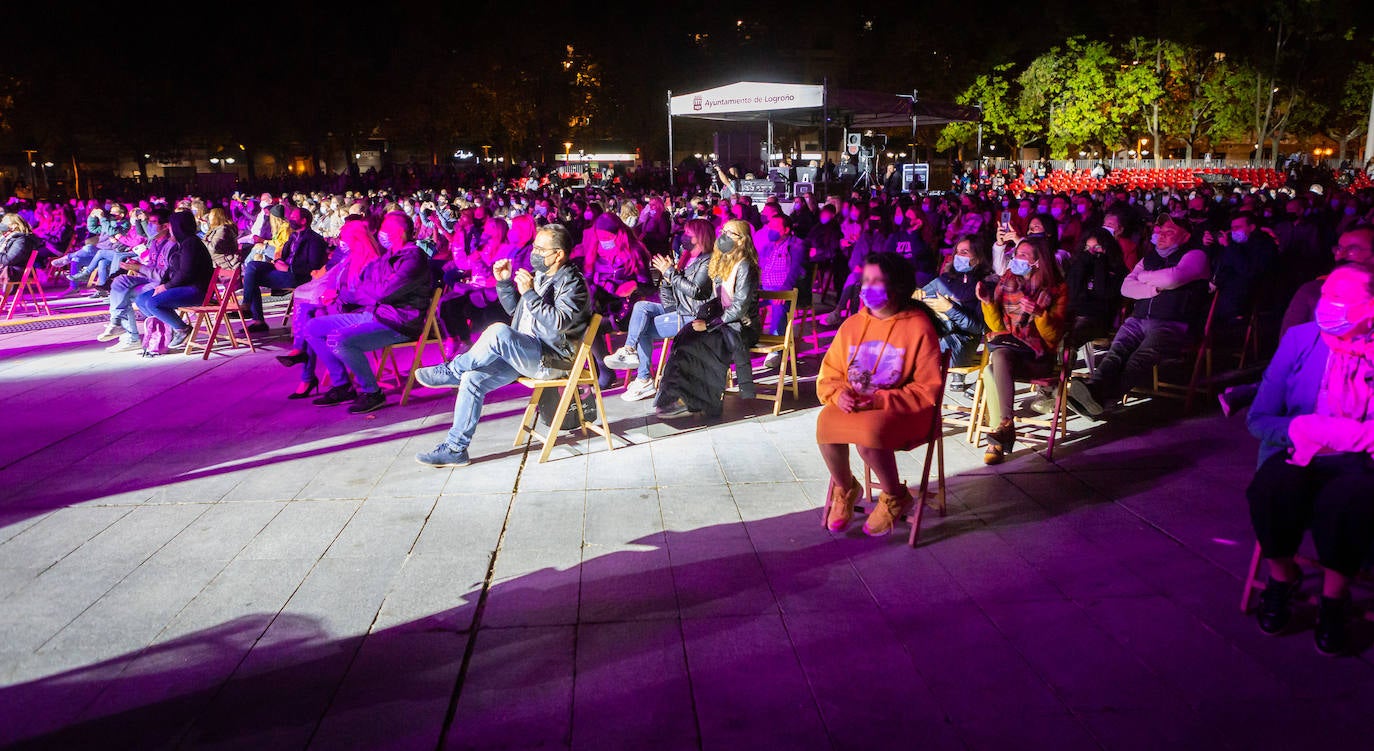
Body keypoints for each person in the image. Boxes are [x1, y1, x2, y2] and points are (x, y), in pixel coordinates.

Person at [1245, 262, 1374, 655]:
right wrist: (1306, 429)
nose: (1332, 307)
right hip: (1300, 449)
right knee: (1269, 490)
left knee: (1346, 502)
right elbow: (1259, 418)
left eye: (1345, 301)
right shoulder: (1303, 339)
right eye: (1329, 297)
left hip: (1363, 456)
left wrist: (1354, 436)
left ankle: (1335, 598)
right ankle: (1282, 577)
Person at [412, 223, 592, 467]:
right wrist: (505, 284)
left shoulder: (573, 283)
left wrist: (529, 293)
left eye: (540, 249)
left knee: (497, 331)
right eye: (534, 247)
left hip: (552, 359)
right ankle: (456, 448)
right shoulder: (542, 275)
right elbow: (519, 313)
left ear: (559, 254)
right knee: (472, 379)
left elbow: (558, 322)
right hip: (528, 352)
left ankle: (454, 370)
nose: (534, 253)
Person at [818, 251, 944, 537]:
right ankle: (846, 488)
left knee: (868, 437)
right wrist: (838, 395)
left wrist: (878, 400)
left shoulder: (918, 327)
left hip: (905, 410)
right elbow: (831, 373)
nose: (868, 287)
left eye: (877, 281)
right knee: (826, 423)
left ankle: (894, 495)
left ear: (897, 286)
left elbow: (926, 390)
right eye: (866, 280)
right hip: (859, 405)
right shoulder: (852, 325)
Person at [1068, 214, 1211, 418]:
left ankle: (1100, 397)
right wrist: (1154, 288)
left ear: (1186, 236)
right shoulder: (1150, 257)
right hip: (1139, 318)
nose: (1161, 236)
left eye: (1169, 232)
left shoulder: (1196, 255)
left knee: (1138, 359)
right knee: (1116, 353)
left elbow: (1174, 277)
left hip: (1173, 322)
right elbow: (1127, 288)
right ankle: (1094, 392)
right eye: (1160, 231)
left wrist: (1143, 278)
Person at [305, 211, 434, 414]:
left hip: (398, 322)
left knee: (339, 339)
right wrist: (370, 290)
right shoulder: (388, 257)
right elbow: (365, 286)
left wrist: (371, 290)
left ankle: (372, 392)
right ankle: (342, 385)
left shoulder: (413, 259)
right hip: (376, 313)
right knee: (312, 327)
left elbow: (383, 291)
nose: (381, 233)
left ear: (399, 233)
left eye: (386, 229)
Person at [975, 236, 1068, 464]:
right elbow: (997, 327)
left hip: (1039, 356)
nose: (1016, 259)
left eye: (1023, 256)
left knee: (992, 368)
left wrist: (1038, 314)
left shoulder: (1057, 289)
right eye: (1016, 254)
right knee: (997, 358)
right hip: (1010, 350)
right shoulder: (1008, 281)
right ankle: (1004, 427)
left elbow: (1053, 337)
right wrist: (988, 302)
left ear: (1038, 261)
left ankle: (998, 438)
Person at [654, 219, 761, 417]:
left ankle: (703, 400)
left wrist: (710, 324)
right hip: (723, 324)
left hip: (741, 328)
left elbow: (738, 308)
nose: (724, 236)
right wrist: (672, 275)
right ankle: (673, 397)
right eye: (723, 231)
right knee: (684, 337)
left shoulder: (745, 266)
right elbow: (709, 296)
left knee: (701, 344)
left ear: (741, 240)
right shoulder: (724, 263)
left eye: (730, 233)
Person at [604, 218, 716, 401]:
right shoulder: (687, 258)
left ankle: (644, 378)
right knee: (641, 307)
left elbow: (696, 291)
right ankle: (629, 350)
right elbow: (670, 298)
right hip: (678, 308)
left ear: (700, 236)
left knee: (644, 328)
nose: (684, 237)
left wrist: (670, 272)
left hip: (693, 315)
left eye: (688, 234)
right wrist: (666, 277)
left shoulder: (708, 261)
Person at [276, 218, 383, 398]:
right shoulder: (350, 258)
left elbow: (364, 293)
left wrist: (336, 295)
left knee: (312, 318)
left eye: (345, 237)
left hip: (359, 312)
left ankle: (312, 373)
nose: (341, 242)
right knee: (311, 319)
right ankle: (313, 372)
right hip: (344, 306)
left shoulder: (369, 261)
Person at [133, 209, 213, 352]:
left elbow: (186, 273)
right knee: (141, 300)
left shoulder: (191, 243)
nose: (169, 230)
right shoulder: (180, 243)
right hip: (182, 286)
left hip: (196, 289)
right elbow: (171, 269)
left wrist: (166, 287)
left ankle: (182, 329)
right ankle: (164, 331)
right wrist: (163, 284)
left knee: (153, 303)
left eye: (171, 227)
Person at [97, 208, 177, 352]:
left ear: (165, 226)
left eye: (152, 222)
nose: (149, 226)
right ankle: (117, 323)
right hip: (149, 278)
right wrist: (137, 265)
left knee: (125, 294)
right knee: (119, 282)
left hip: (161, 283)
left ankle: (131, 336)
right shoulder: (154, 243)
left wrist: (140, 267)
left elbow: (163, 275)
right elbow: (151, 265)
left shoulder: (170, 245)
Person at [242, 206, 329, 332]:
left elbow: (313, 266)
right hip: (282, 268)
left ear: (303, 221)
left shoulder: (314, 239)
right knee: (252, 266)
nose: (290, 219)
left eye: (294, 217)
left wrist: (289, 268)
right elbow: (282, 255)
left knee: (252, 278)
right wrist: (278, 261)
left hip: (296, 275)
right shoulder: (293, 236)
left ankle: (255, 317)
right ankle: (247, 305)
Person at [920, 234, 992, 374]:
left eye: (964, 252)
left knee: (921, 353)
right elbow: (920, 296)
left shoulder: (985, 285)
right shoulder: (946, 279)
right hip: (939, 333)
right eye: (957, 252)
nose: (959, 256)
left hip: (962, 342)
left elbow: (978, 327)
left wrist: (950, 308)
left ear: (978, 258)